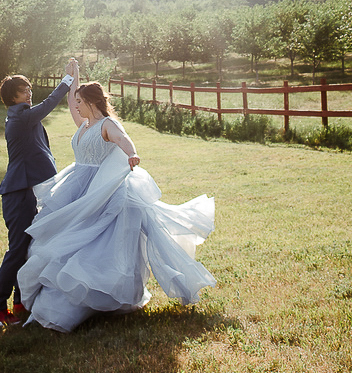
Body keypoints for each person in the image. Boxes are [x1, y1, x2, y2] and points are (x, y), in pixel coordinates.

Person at [16, 79, 216, 332]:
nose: (75, 106)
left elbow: (123, 138)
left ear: (90, 102)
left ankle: (91, 297)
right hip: (77, 190)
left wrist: (132, 154)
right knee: (64, 240)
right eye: (75, 102)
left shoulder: (107, 125)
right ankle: (62, 300)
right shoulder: (85, 125)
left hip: (101, 190)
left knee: (97, 244)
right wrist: (74, 76)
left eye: (79, 102)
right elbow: (70, 102)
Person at [0, 57, 79, 327]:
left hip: (30, 190)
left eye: (29, 88)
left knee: (27, 248)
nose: (29, 92)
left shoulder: (22, 116)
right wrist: (67, 81)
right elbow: (49, 104)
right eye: (24, 90)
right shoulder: (20, 117)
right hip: (17, 193)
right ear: (12, 97)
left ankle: (21, 303)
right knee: (17, 250)